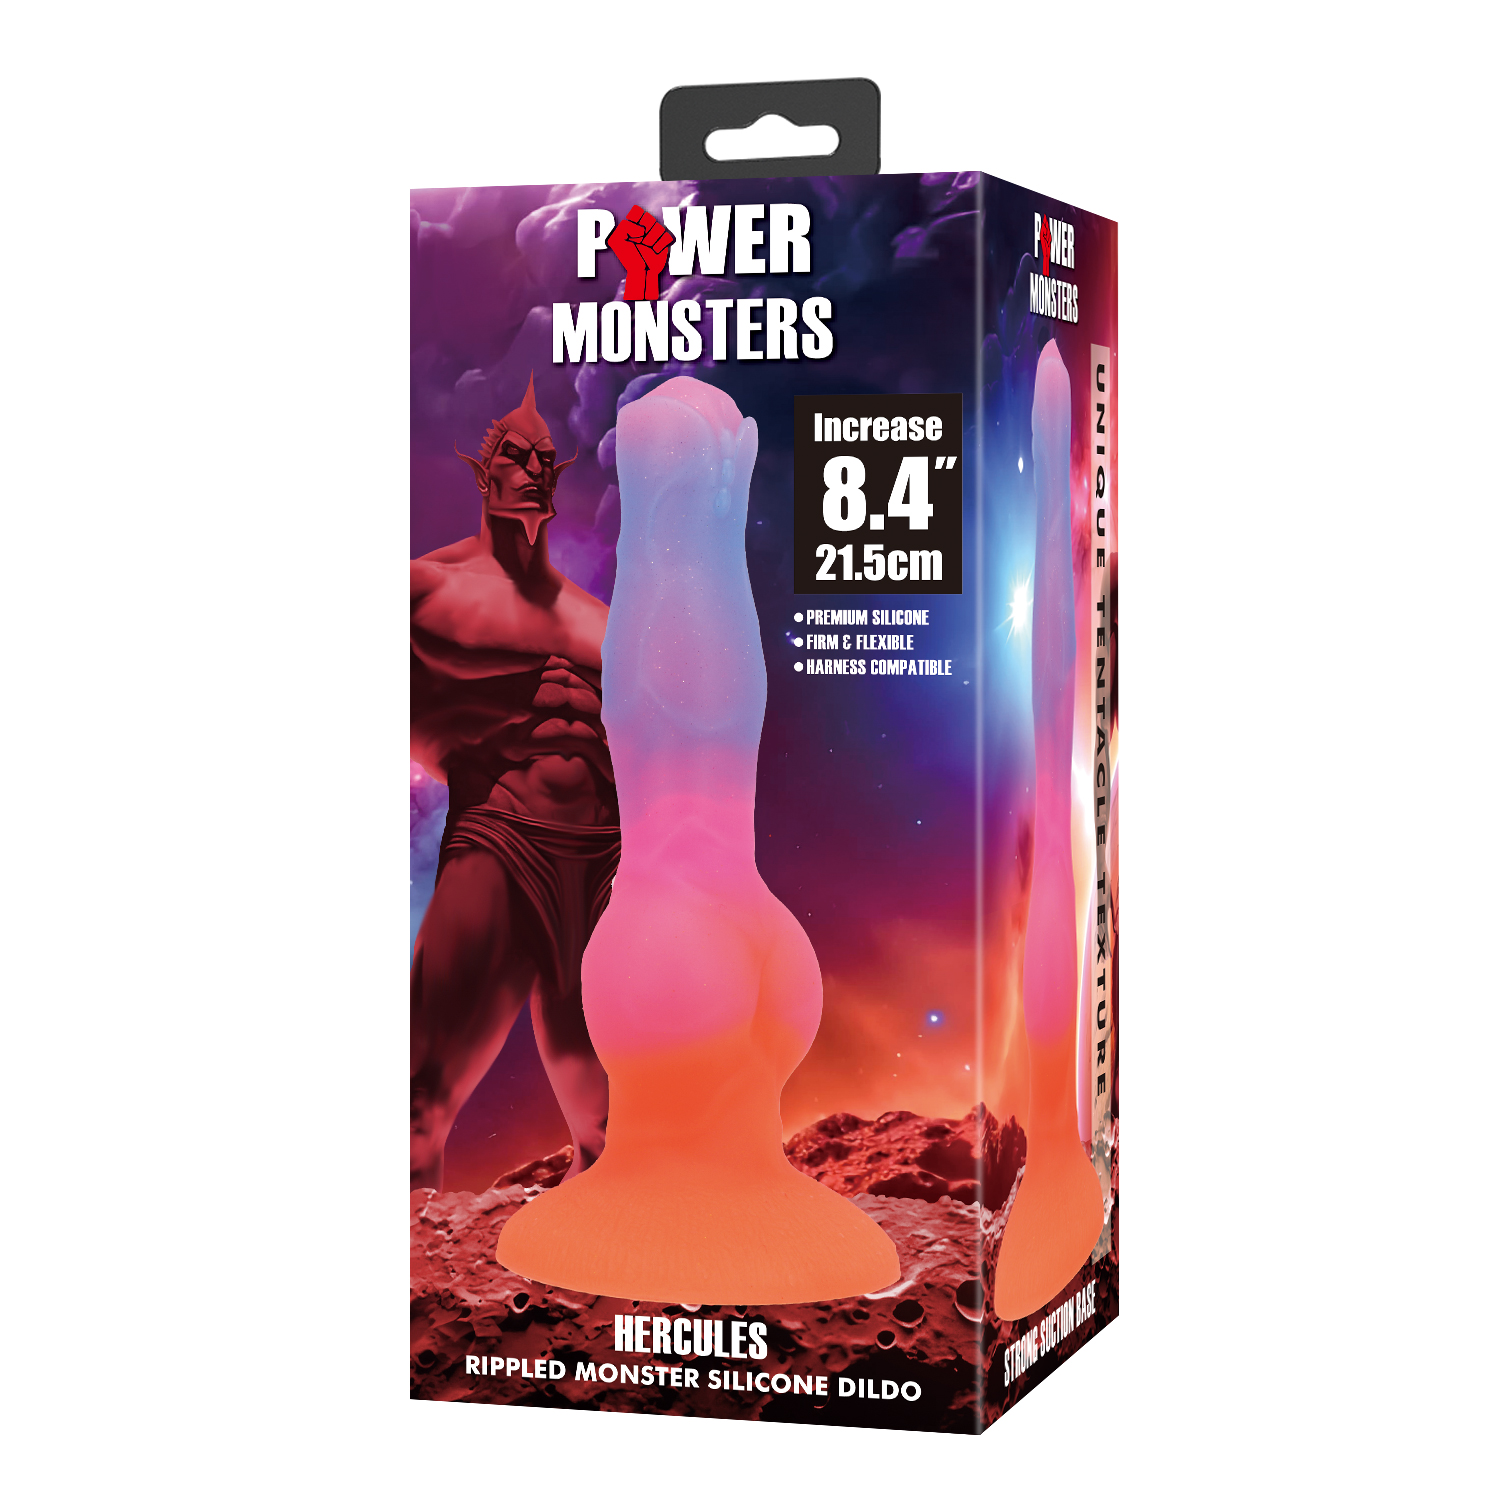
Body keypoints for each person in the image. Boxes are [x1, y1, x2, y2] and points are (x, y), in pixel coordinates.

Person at [410, 376, 618, 1191]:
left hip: (605, 862)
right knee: (417, 1102)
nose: (533, 469)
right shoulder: (424, 590)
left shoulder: (603, 619)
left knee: (615, 1130)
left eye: (545, 459)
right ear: (483, 469)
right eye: (515, 455)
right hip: (497, 836)